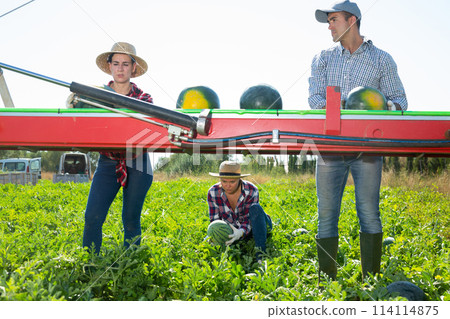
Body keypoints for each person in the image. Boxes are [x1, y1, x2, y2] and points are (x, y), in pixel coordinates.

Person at [308, 0, 408, 281]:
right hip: (330, 148)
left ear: (351, 21)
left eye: (333, 20)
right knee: (326, 215)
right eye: (328, 21)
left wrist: (374, 107)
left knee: (369, 213)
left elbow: (400, 102)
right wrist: (347, 107)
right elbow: (315, 100)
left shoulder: (382, 59)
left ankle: (371, 280)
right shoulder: (322, 58)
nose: (329, 26)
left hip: (368, 150)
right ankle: (328, 281)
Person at [81, 42, 154, 254]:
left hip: (138, 161)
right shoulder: (95, 97)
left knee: (131, 218)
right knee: (92, 215)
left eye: (125, 64)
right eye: (116, 63)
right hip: (108, 161)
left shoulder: (145, 99)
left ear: (133, 68)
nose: (120, 68)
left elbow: (142, 130)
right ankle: (90, 261)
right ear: (110, 66)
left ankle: (129, 265)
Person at [207, 161, 272, 262]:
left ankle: (261, 255)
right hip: (234, 230)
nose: (228, 185)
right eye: (224, 181)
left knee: (255, 208)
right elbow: (215, 220)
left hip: (257, 226)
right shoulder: (213, 192)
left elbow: (249, 219)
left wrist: (241, 232)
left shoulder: (251, 190)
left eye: (232, 182)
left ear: (239, 179)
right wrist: (214, 235)